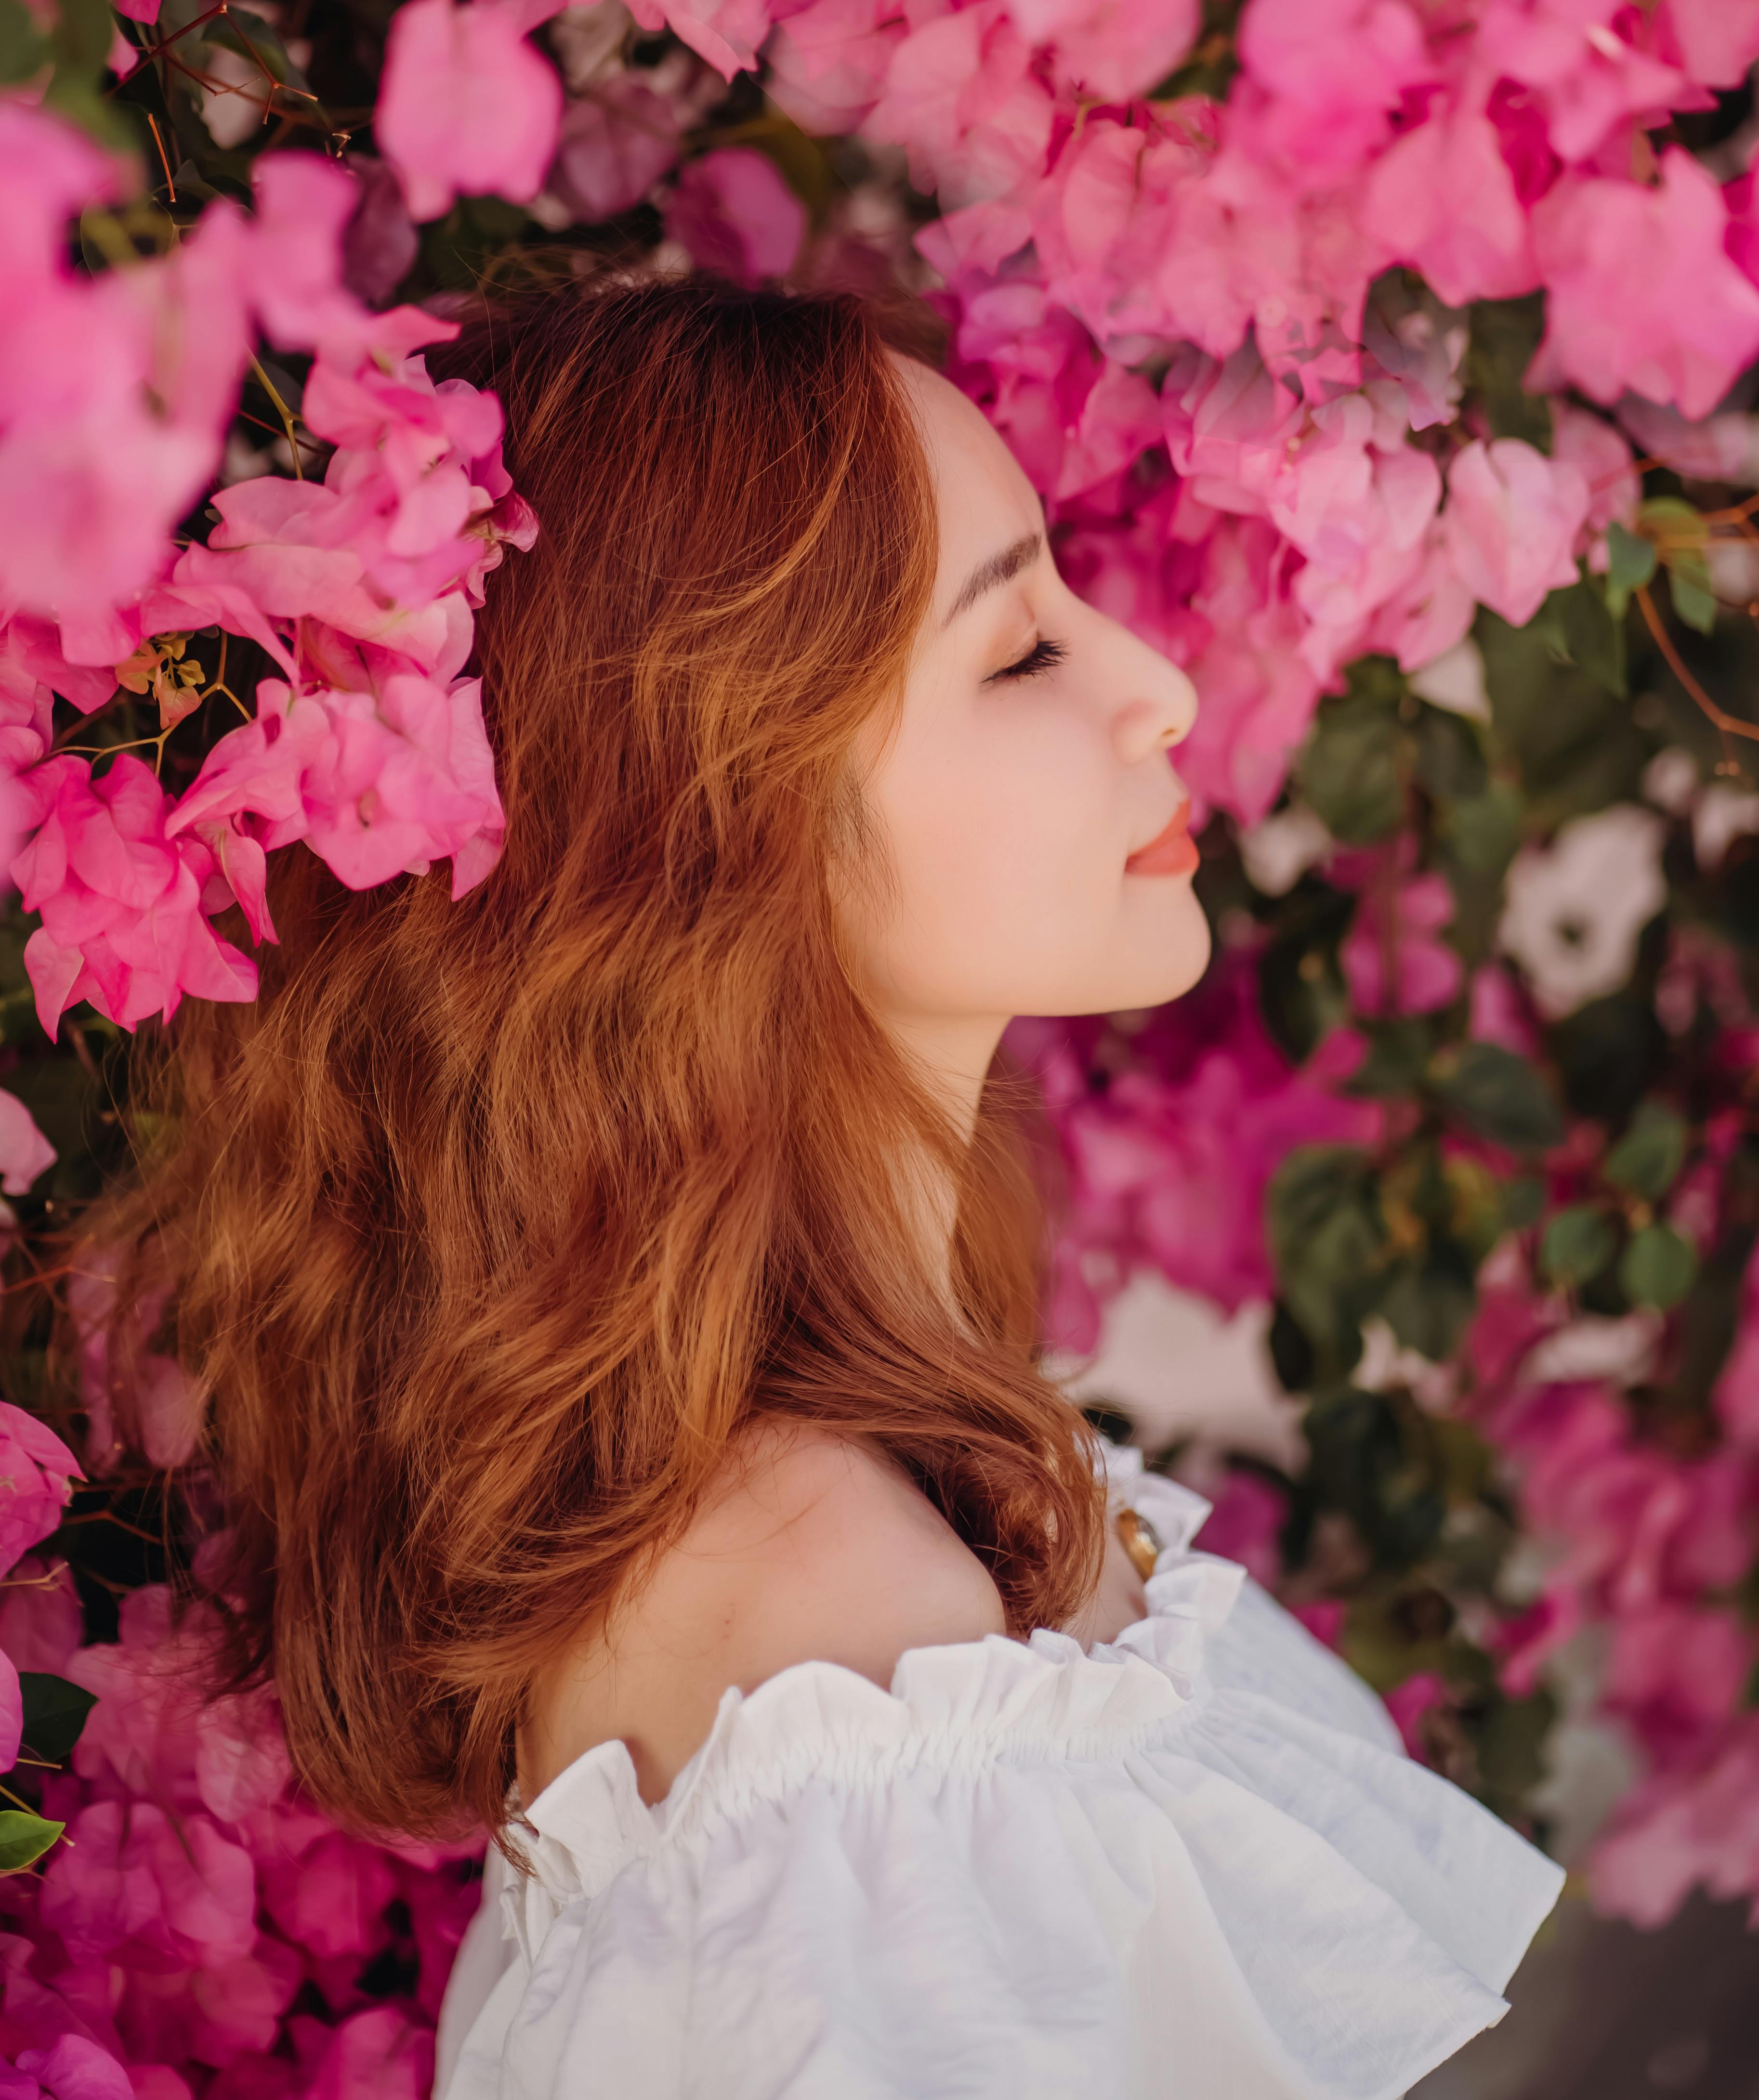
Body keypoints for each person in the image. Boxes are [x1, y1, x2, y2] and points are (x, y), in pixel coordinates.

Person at [125, 280, 1560, 2098]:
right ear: (711, 840)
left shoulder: (858, 1544)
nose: (1160, 683)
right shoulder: (833, 1657)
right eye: (1019, 651)